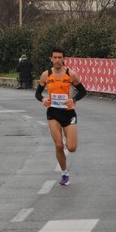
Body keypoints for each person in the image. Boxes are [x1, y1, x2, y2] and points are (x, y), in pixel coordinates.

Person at [35, 46, 87, 186]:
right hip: (53, 113)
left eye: (60, 58)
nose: (57, 60)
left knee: (71, 148)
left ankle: (70, 138)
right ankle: (64, 174)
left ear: (64, 59)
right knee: (58, 145)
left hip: (68, 113)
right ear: (51, 59)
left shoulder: (71, 74)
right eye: (55, 58)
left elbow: (83, 91)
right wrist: (43, 99)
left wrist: (74, 99)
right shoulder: (46, 75)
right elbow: (37, 93)